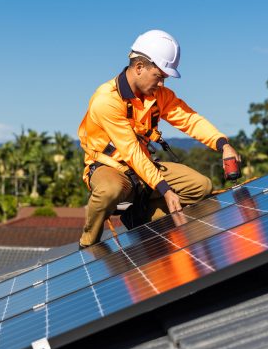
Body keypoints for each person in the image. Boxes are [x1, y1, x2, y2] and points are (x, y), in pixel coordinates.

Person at [77, 29, 240, 248]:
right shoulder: (106, 100)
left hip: (144, 167)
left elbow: (189, 120)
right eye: (160, 76)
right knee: (109, 191)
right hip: (111, 167)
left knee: (201, 186)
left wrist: (223, 145)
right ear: (139, 67)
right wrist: (164, 188)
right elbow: (131, 151)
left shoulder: (158, 95)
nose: (162, 84)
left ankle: (141, 219)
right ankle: (88, 246)